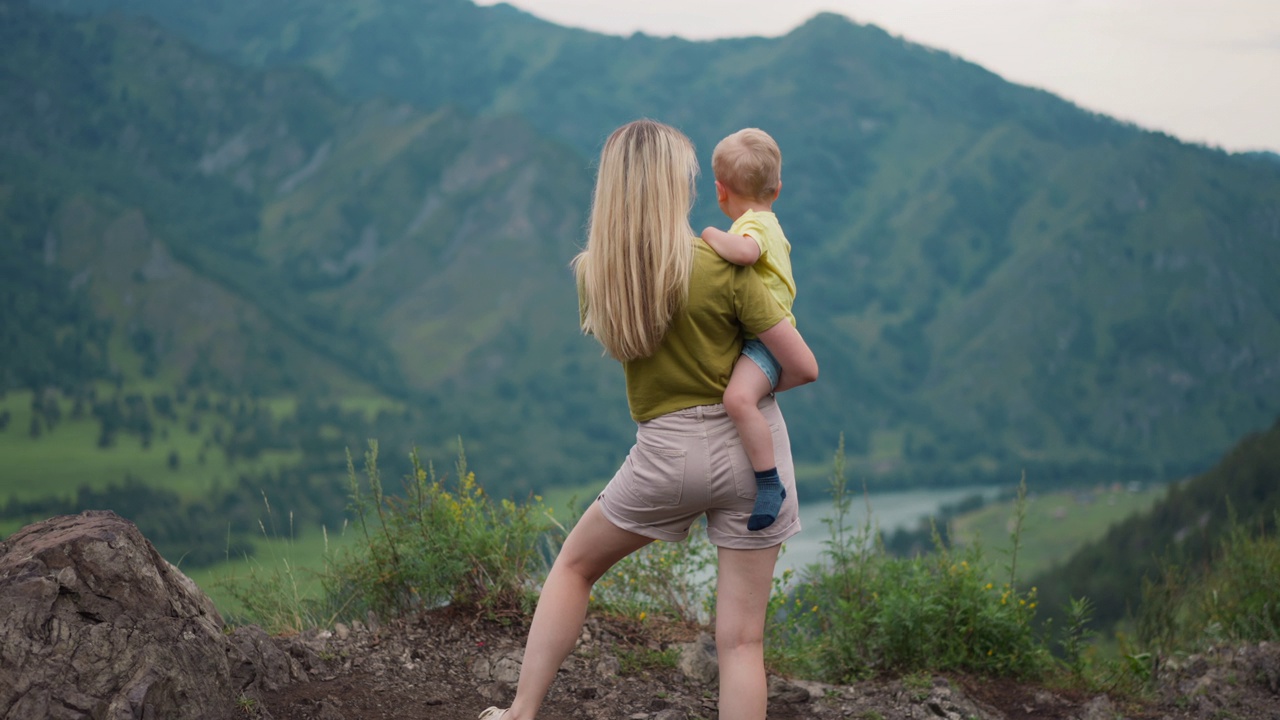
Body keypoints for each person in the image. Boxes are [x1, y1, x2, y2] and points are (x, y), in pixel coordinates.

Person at [478, 119, 818, 720]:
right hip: (751, 452)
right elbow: (802, 366)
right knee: (741, 642)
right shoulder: (723, 265)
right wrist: (746, 390)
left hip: (664, 453)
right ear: (676, 188)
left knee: (575, 568)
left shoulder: (595, 274)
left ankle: (521, 713)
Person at [699, 128, 795, 531]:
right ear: (778, 188)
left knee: (738, 399)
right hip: (761, 340)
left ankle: (769, 483)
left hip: (766, 342)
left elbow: (746, 252)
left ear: (720, 191)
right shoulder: (769, 219)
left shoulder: (752, 224)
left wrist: (707, 235)